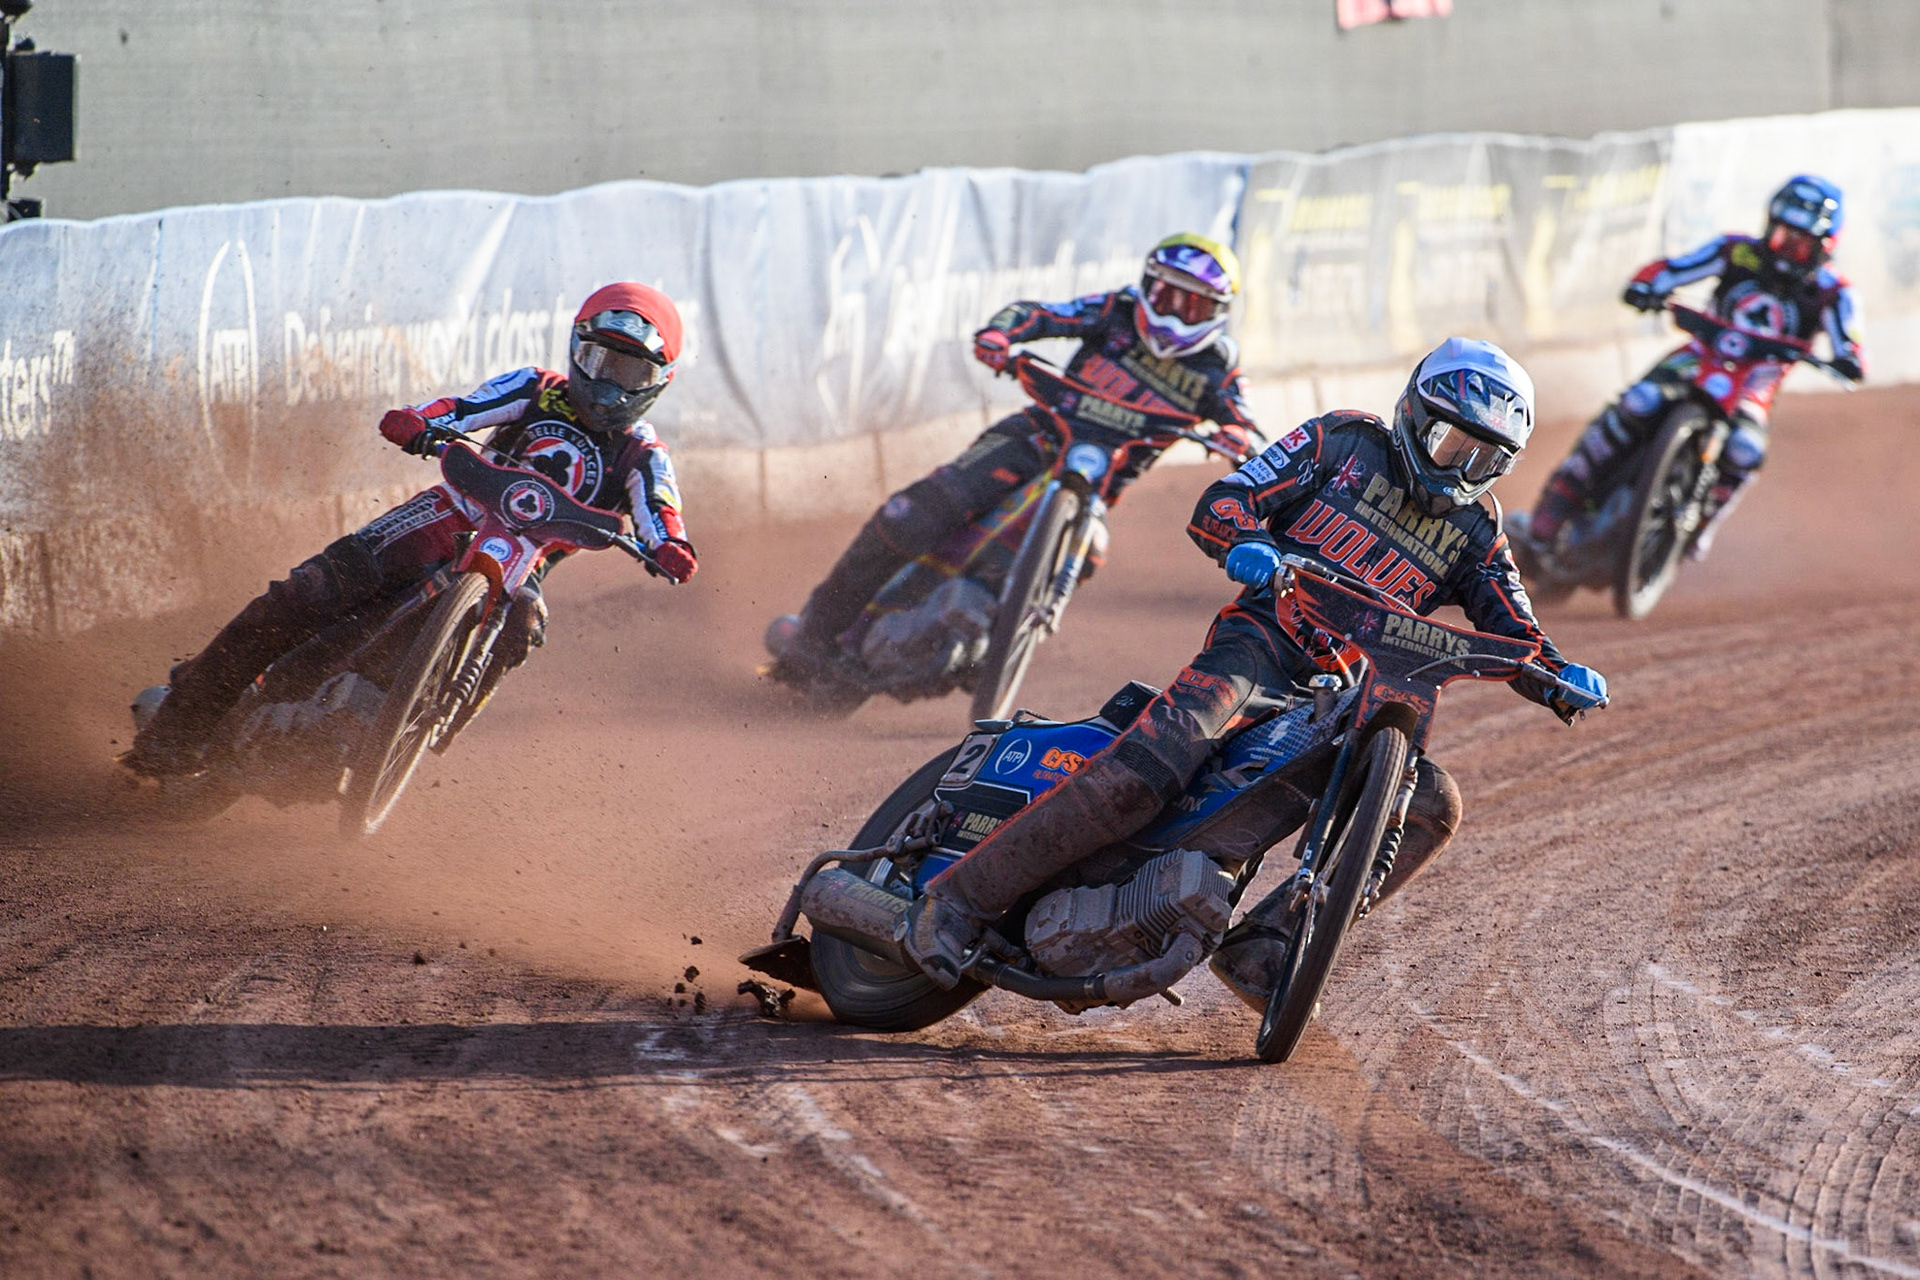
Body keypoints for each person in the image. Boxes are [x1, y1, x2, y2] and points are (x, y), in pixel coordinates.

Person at [899, 337, 1609, 1004]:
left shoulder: (1478, 532)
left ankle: (1268, 949)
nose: (1460, 472)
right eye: (1452, 444)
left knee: (1432, 804)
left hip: (1347, 698)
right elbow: (1225, 500)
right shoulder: (1341, 442)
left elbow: (1518, 632)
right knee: (1155, 763)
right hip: (1260, 645)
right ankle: (956, 901)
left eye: (1484, 461)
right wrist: (1246, 541)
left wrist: (1557, 675)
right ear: (1414, 418)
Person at [122, 282, 698, 777]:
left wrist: (669, 548)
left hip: (522, 565)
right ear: (577, 349)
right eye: (601, 362)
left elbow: (660, 509)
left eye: (630, 372)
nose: (609, 385)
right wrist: (420, 421)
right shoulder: (536, 388)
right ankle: (179, 725)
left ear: (658, 381)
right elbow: (465, 408)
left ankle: (425, 726)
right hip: (447, 514)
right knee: (307, 592)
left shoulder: (641, 453)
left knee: (524, 620)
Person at [766, 233, 1260, 692]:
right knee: (910, 515)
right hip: (1035, 436)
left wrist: (1236, 437)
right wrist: (1000, 335)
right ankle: (814, 631)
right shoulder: (1117, 310)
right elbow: (1040, 314)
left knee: (1089, 552)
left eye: (1192, 304)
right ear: (1147, 285)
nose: (1174, 313)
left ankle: (985, 652)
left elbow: (1248, 426)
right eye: (1167, 295)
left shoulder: (1219, 366)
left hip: (1095, 485)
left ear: (1217, 311)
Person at [1519, 174, 1865, 561]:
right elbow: (1675, 268)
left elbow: (1850, 341)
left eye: (1800, 244)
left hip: (1753, 387)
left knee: (1746, 449)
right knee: (1638, 402)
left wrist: (1848, 358)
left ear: (1825, 246)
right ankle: (1557, 504)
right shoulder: (1736, 251)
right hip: (1696, 358)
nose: (1787, 250)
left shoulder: (1834, 292)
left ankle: (1698, 528)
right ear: (1769, 225)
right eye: (1783, 236)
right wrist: (1647, 285)